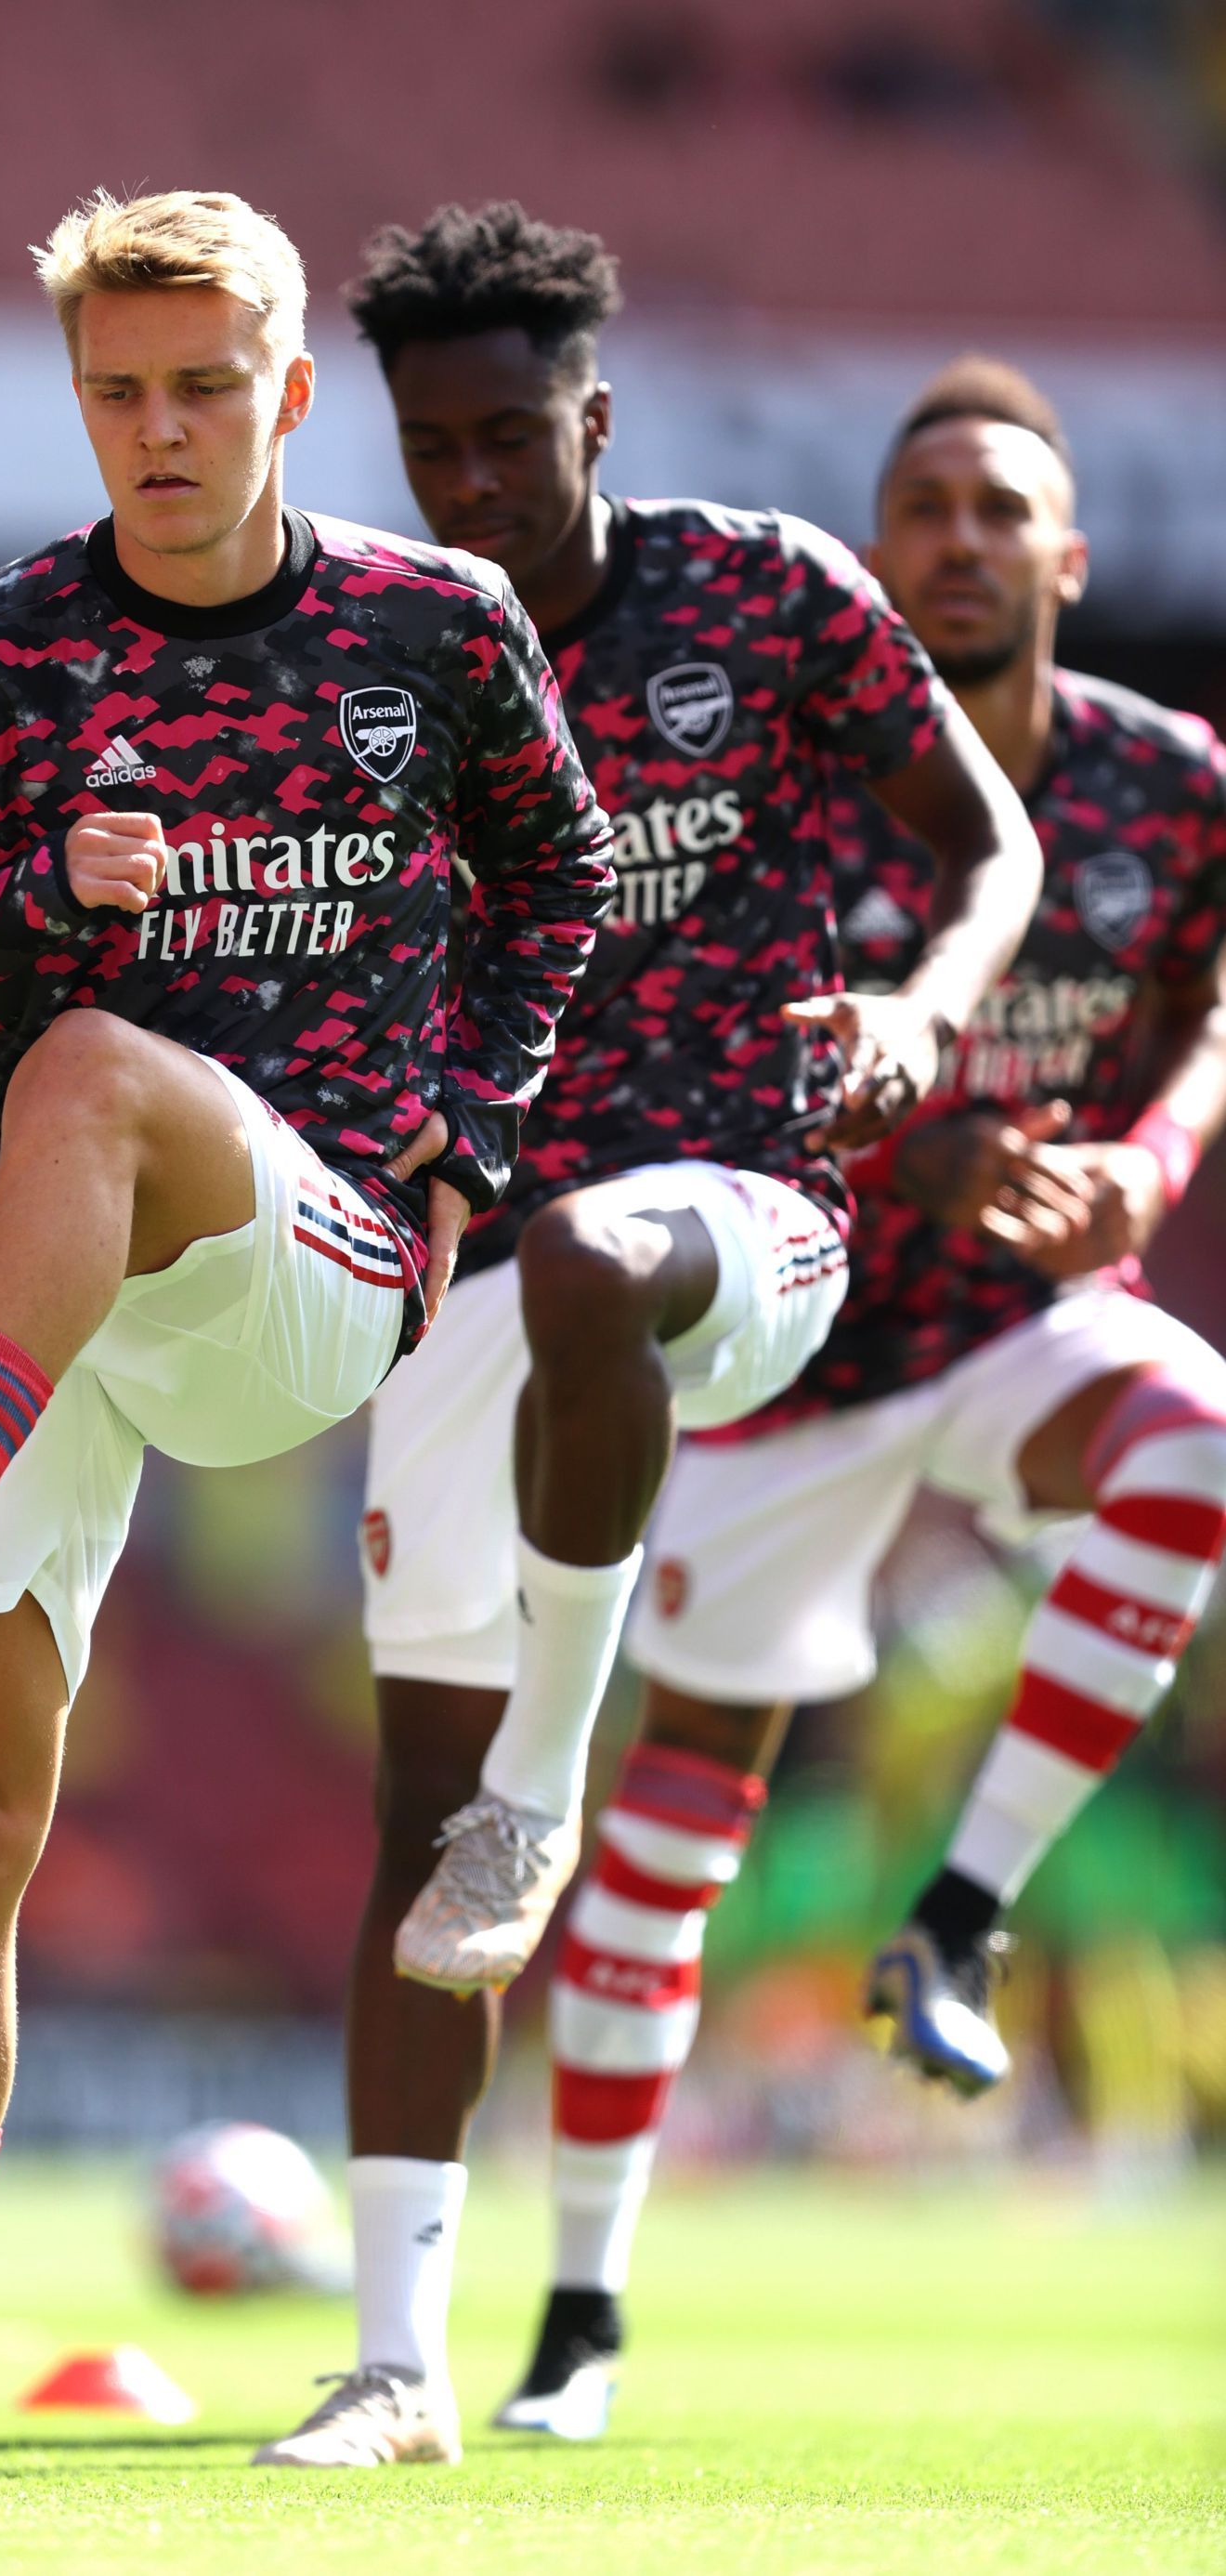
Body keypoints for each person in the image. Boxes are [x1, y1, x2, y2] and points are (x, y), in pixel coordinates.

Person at [0, 187, 616, 2497]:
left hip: (299, 1273)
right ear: (78, 399)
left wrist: (463, 1143)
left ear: (292, 390)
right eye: (120, 391)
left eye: (208, 385)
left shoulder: (440, 625)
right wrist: (17, 899)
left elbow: (563, 887)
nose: (163, 429)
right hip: (39, 1295)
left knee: (91, 1061)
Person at [255, 207, 1044, 2471]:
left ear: (598, 418)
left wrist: (920, 1007)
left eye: (517, 437)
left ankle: (549, 1787)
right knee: (408, 1828)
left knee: (605, 1259)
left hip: (747, 1223)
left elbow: (979, 843)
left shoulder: (768, 592)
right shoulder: (376, 656)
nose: (476, 483)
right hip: (457, 1257)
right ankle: (398, 2363)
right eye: (436, 449)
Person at [512, 355, 1226, 2442]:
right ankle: (579, 2317)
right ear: (876, 557)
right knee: (658, 1869)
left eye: (1005, 507)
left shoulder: (1172, 783)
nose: (965, 538)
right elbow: (660, 1032)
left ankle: (959, 1914)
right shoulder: (797, 776)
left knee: (1194, 1433)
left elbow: (1211, 994)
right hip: (797, 1357)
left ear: (1071, 556)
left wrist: (1150, 1165)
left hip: (1014, 1326)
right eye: (926, 508)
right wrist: (872, 1139)